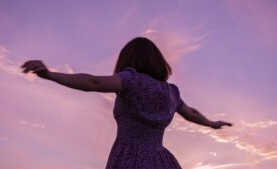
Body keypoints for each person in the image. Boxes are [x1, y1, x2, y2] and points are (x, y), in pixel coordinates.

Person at [21, 37, 232, 169]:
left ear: (127, 59)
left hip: (128, 158)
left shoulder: (130, 80)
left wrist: (49, 75)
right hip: (161, 161)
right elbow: (190, 113)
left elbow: (92, 82)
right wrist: (211, 124)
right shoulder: (171, 91)